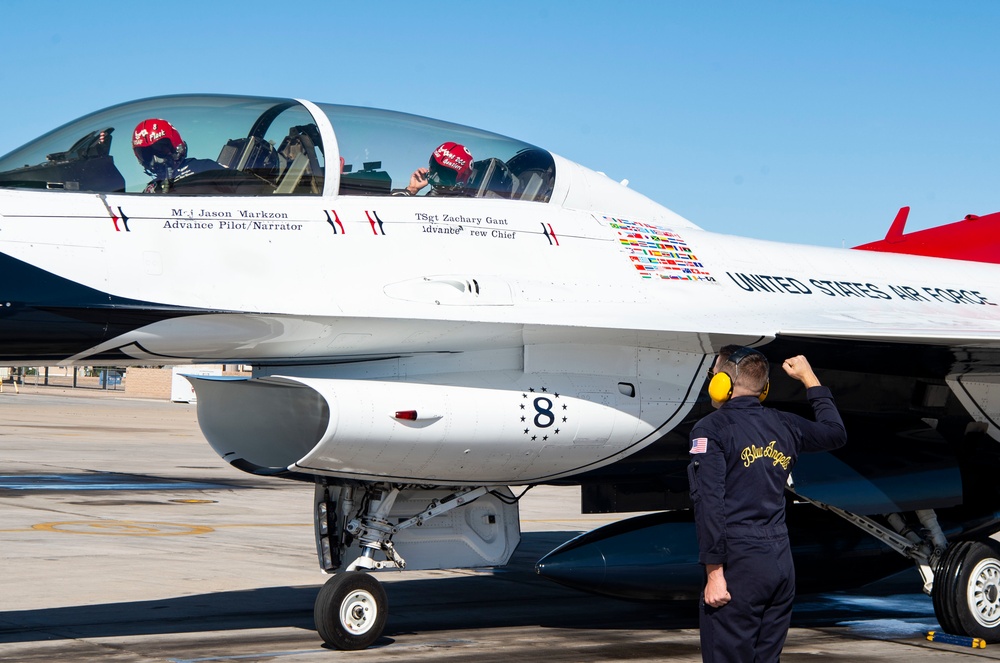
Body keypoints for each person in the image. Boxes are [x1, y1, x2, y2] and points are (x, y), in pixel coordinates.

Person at [687, 346, 847, 663]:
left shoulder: (711, 429)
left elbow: (709, 503)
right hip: (779, 561)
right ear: (764, 388)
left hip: (739, 562)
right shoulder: (784, 423)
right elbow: (835, 433)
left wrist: (715, 573)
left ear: (722, 383)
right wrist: (810, 378)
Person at [132, 118, 221, 193]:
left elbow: (234, 186)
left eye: (160, 149)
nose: (155, 159)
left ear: (175, 145)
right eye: (146, 153)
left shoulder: (204, 168)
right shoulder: (150, 190)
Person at [393, 141, 474, 196]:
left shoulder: (467, 207)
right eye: (434, 167)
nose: (435, 175)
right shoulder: (431, 198)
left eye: (443, 172)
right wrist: (411, 189)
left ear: (460, 179)